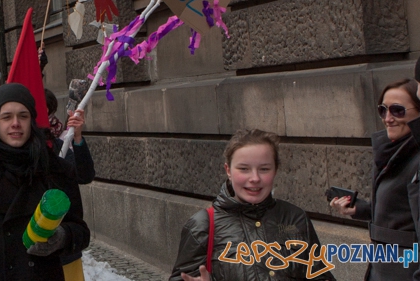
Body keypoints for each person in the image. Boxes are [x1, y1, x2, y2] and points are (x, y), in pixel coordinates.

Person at [0, 83, 90, 281]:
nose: (15, 123)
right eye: (6, 117)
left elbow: (81, 232)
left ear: (32, 121)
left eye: (23, 116)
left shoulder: (56, 170)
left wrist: (62, 237)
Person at [171, 129, 334, 281]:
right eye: (244, 169)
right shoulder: (203, 225)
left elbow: (320, 275)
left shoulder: (295, 218)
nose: (255, 178)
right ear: (228, 170)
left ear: (275, 170)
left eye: (264, 169)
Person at [330, 78, 420, 281]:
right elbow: (399, 212)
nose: (388, 118)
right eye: (382, 110)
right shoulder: (391, 152)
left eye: (398, 110)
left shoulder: (415, 158)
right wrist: (358, 209)